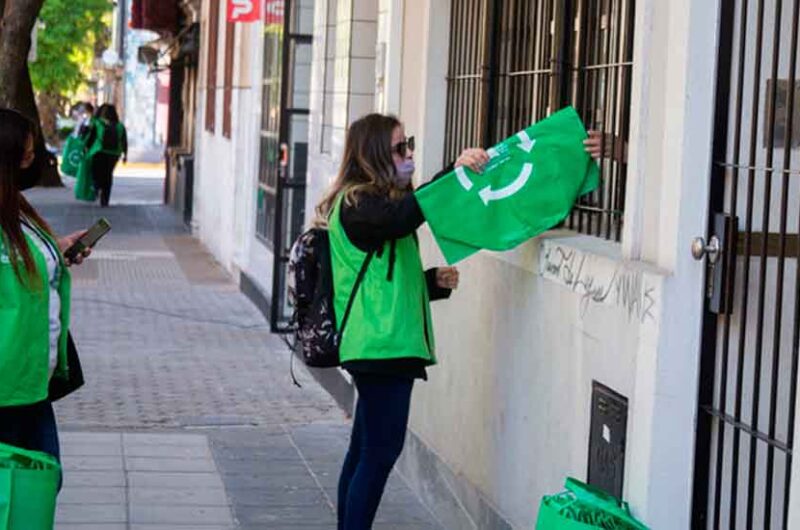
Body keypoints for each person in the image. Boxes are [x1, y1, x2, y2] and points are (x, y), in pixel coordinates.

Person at [315, 114, 488, 530]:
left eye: (407, 144)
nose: (409, 154)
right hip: (381, 347)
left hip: (382, 343)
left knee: (364, 452)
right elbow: (403, 217)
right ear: (373, 153)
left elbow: (381, 279)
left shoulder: (369, 205)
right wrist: (454, 173)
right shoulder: (360, 204)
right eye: (399, 148)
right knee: (378, 454)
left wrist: (431, 283)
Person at [0, 108, 90, 477]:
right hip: (7, 387)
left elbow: (18, 264)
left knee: (38, 485)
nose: (34, 162)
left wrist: (56, 248)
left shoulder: (14, 209)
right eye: (27, 155)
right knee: (24, 492)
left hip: (30, 383)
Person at [82, 104, 127, 207]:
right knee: (108, 175)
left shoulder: (97, 123)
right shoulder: (120, 126)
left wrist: (85, 148)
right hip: (114, 154)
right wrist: (125, 155)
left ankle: (97, 188)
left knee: (96, 172)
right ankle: (105, 199)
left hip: (99, 152)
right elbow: (124, 141)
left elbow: (90, 137)